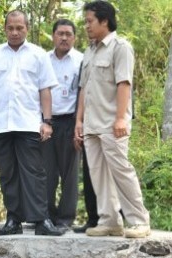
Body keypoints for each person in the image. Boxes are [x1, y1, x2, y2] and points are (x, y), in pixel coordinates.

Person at [0, 10, 64, 236]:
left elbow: (45, 90)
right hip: (0, 125)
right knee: (8, 173)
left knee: (34, 172)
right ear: (5, 29)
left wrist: (47, 121)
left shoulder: (38, 55)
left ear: (27, 28)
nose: (14, 32)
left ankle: (41, 221)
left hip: (28, 123)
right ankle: (13, 220)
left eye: (19, 28)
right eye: (10, 28)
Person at [74, 1, 151, 238]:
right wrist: (79, 121)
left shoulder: (121, 47)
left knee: (121, 170)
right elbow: (84, 88)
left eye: (90, 21)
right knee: (98, 173)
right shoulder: (90, 50)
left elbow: (124, 83)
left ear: (104, 21)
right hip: (92, 124)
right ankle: (110, 221)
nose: (86, 26)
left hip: (112, 123)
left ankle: (139, 220)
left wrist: (120, 118)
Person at [42, 19, 83, 230]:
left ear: (75, 37)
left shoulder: (81, 60)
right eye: (60, 33)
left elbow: (84, 94)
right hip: (47, 122)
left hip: (70, 121)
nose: (64, 37)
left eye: (68, 34)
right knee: (47, 172)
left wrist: (80, 123)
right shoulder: (43, 59)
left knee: (70, 173)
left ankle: (66, 218)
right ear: (53, 35)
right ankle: (46, 216)